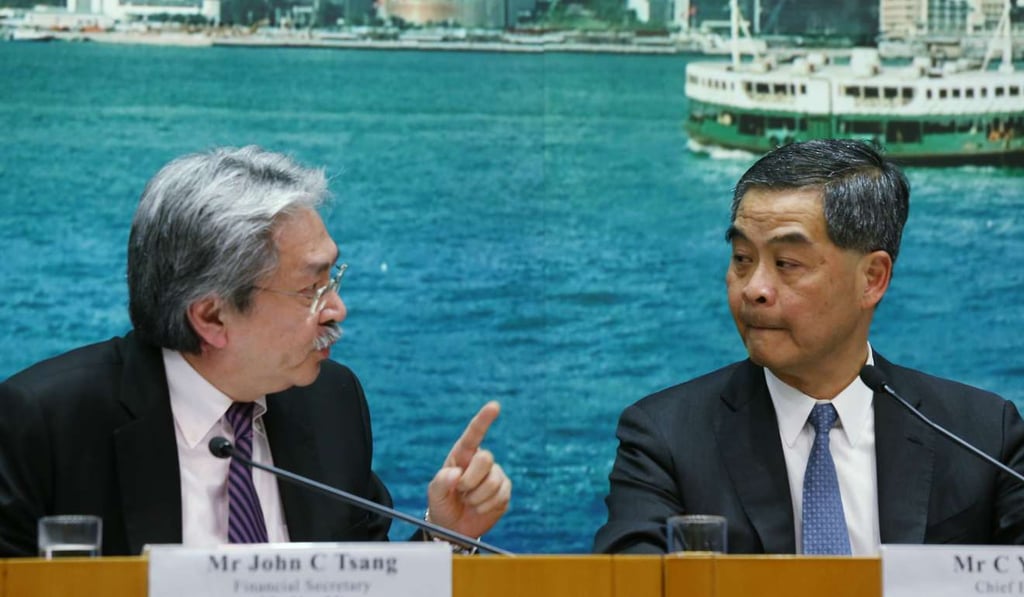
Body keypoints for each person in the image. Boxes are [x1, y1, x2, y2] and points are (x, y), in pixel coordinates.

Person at [0, 146, 511, 557]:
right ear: (212, 317)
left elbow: (365, 583)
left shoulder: (330, 402)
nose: (337, 308)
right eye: (312, 288)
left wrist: (445, 535)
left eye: (333, 275)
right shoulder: (44, 428)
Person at [593, 139, 1024, 555]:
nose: (754, 289)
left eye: (787, 264)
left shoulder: (983, 437)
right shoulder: (664, 439)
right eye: (742, 258)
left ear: (872, 278)